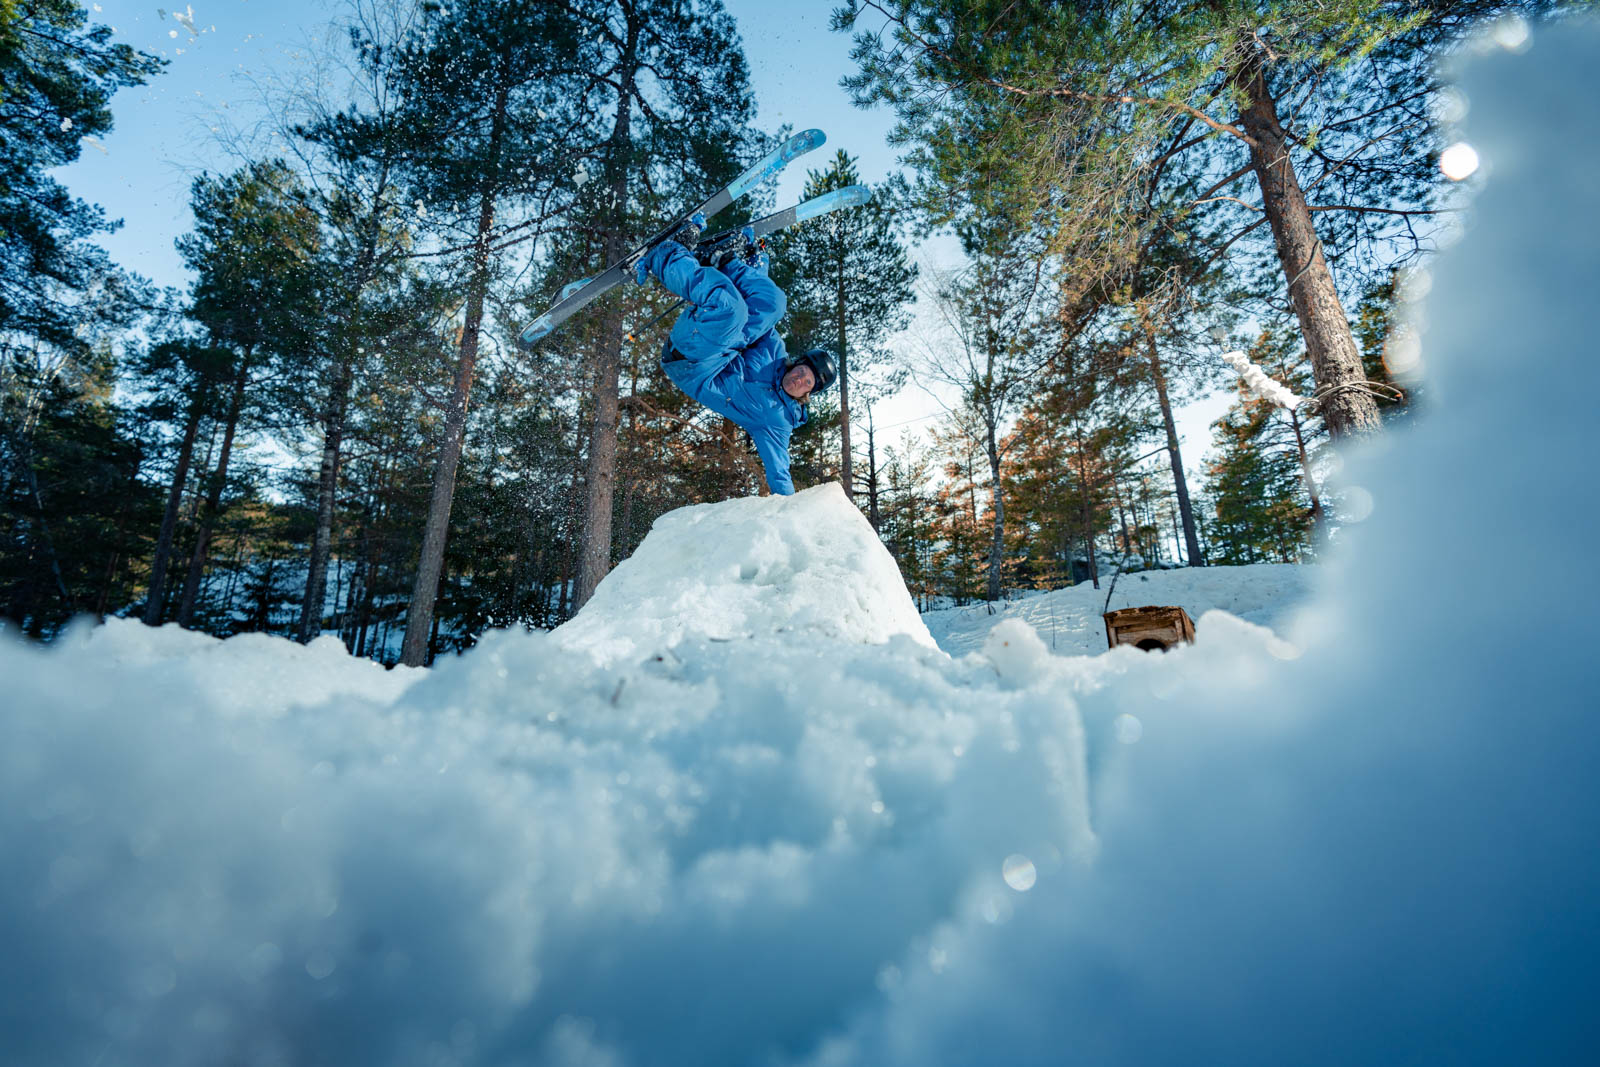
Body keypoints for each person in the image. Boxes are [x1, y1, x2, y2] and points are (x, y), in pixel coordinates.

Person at [634, 215, 837, 496]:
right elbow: (762, 310)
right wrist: (758, 260)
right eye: (803, 371)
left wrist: (791, 510)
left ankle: (665, 255)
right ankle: (724, 260)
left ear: (808, 393)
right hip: (712, 342)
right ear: (797, 364)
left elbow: (779, 471)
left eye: (808, 383)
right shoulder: (775, 353)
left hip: (692, 365)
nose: (800, 379)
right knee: (776, 304)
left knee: (731, 311)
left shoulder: (778, 421)